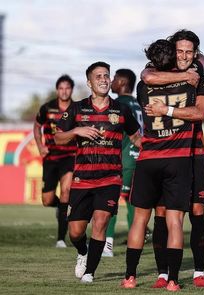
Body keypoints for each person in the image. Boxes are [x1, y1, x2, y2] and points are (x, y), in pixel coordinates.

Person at [121, 39, 201, 291]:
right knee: (175, 222)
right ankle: (174, 281)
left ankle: (130, 278)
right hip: (178, 159)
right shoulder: (190, 79)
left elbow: (149, 75)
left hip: (148, 158)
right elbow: (200, 62)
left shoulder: (145, 84)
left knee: (139, 221)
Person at [55, 61, 141, 283]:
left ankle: (90, 272)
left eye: (106, 75)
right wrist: (76, 130)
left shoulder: (122, 109)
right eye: (98, 76)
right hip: (82, 179)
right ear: (89, 83)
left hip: (110, 178)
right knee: (75, 232)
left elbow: (136, 138)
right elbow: (58, 137)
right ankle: (82, 252)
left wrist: (158, 148)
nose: (103, 79)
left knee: (101, 221)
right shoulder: (77, 108)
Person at [142, 29, 204, 288]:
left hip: (193, 154)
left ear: (195, 53)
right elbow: (145, 75)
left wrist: (168, 109)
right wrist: (185, 75)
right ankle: (163, 273)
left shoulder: (203, 78)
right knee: (161, 212)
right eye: (179, 51)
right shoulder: (162, 71)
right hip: (165, 153)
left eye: (189, 52)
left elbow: (199, 113)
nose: (184, 56)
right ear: (173, 51)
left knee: (197, 210)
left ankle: (198, 272)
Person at [102, 69, 143, 257]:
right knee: (131, 201)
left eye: (116, 78)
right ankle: (137, 242)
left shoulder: (119, 104)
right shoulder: (138, 104)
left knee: (110, 198)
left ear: (124, 82)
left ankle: (107, 244)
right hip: (138, 158)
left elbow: (111, 131)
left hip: (123, 158)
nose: (112, 81)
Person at [33, 74, 77, 248]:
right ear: (57, 90)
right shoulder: (47, 108)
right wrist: (39, 146)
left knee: (66, 191)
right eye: (61, 88)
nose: (64, 91)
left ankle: (60, 239)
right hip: (51, 157)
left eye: (67, 88)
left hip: (70, 156)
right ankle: (60, 207)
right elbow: (36, 126)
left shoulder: (76, 108)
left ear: (71, 89)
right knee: (47, 200)